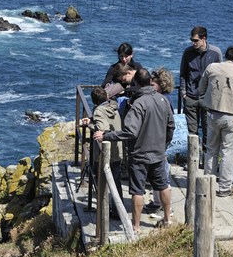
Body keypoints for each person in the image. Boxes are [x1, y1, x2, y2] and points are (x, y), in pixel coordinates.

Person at [94, 69, 175, 234]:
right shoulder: (163, 100)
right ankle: (167, 219)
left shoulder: (138, 103)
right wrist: (163, 143)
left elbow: (130, 132)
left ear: (136, 83)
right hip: (158, 152)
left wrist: (107, 135)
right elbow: (171, 126)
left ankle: (136, 226)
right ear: (150, 81)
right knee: (163, 185)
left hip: (139, 153)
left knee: (137, 190)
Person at [199, 45, 233, 197]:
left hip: (212, 114)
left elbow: (201, 88)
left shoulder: (212, 68)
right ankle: (224, 188)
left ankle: (207, 184)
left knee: (211, 150)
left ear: (227, 56)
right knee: (228, 152)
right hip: (232, 117)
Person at [80, 87, 124, 217]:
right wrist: (93, 120)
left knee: (101, 181)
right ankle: (117, 211)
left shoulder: (99, 110)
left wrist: (90, 125)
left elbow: (103, 129)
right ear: (106, 97)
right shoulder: (113, 106)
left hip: (105, 152)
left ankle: (103, 211)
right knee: (116, 182)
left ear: (94, 102)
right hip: (118, 149)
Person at [179, 26, 222, 149]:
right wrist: (184, 93)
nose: (193, 43)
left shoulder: (215, 53)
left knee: (208, 131)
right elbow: (183, 73)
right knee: (192, 132)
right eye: (192, 40)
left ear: (204, 39)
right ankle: (193, 160)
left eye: (195, 40)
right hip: (191, 98)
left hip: (208, 99)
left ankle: (206, 160)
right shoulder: (188, 52)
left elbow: (220, 76)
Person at [145, 68, 176, 218]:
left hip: (160, 140)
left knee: (163, 175)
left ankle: (167, 210)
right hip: (160, 140)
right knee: (157, 173)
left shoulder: (164, 100)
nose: (151, 85)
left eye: (154, 83)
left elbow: (169, 123)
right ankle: (157, 202)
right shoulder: (164, 98)